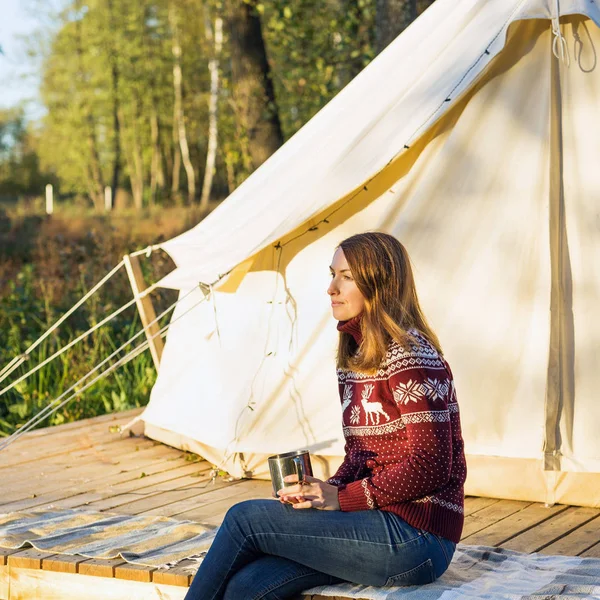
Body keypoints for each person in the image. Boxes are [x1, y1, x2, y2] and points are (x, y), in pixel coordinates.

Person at [184, 232, 467, 600]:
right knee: (247, 586)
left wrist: (342, 499)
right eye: (332, 274)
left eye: (346, 277)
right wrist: (322, 493)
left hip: (419, 536)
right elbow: (361, 456)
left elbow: (431, 465)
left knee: (244, 520)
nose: (331, 288)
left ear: (378, 283)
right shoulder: (359, 355)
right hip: (376, 522)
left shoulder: (410, 356)